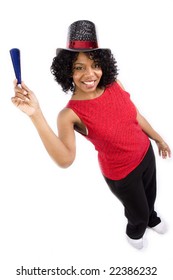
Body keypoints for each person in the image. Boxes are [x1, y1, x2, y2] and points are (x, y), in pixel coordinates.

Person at [12, 20, 171, 249]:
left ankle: (151, 218)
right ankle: (135, 232)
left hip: (145, 155)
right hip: (122, 174)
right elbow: (65, 160)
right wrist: (35, 114)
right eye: (79, 67)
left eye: (95, 65)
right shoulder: (69, 114)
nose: (90, 74)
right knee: (138, 213)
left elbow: (134, 115)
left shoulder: (114, 83)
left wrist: (157, 138)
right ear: (68, 71)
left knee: (150, 198)